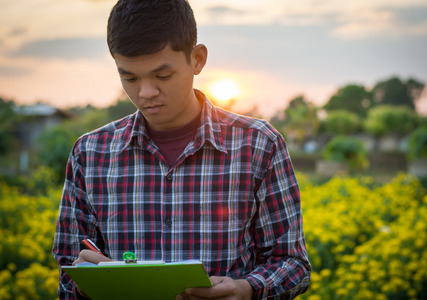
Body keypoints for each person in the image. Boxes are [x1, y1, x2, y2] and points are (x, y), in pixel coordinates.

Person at [52, 0, 311, 299]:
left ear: (197, 59)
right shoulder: (90, 154)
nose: (146, 92)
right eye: (130, 78)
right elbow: (68, 267)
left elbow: (293, 263)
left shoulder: (258, 145)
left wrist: (246, 289)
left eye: (162, 76)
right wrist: (88, 279)